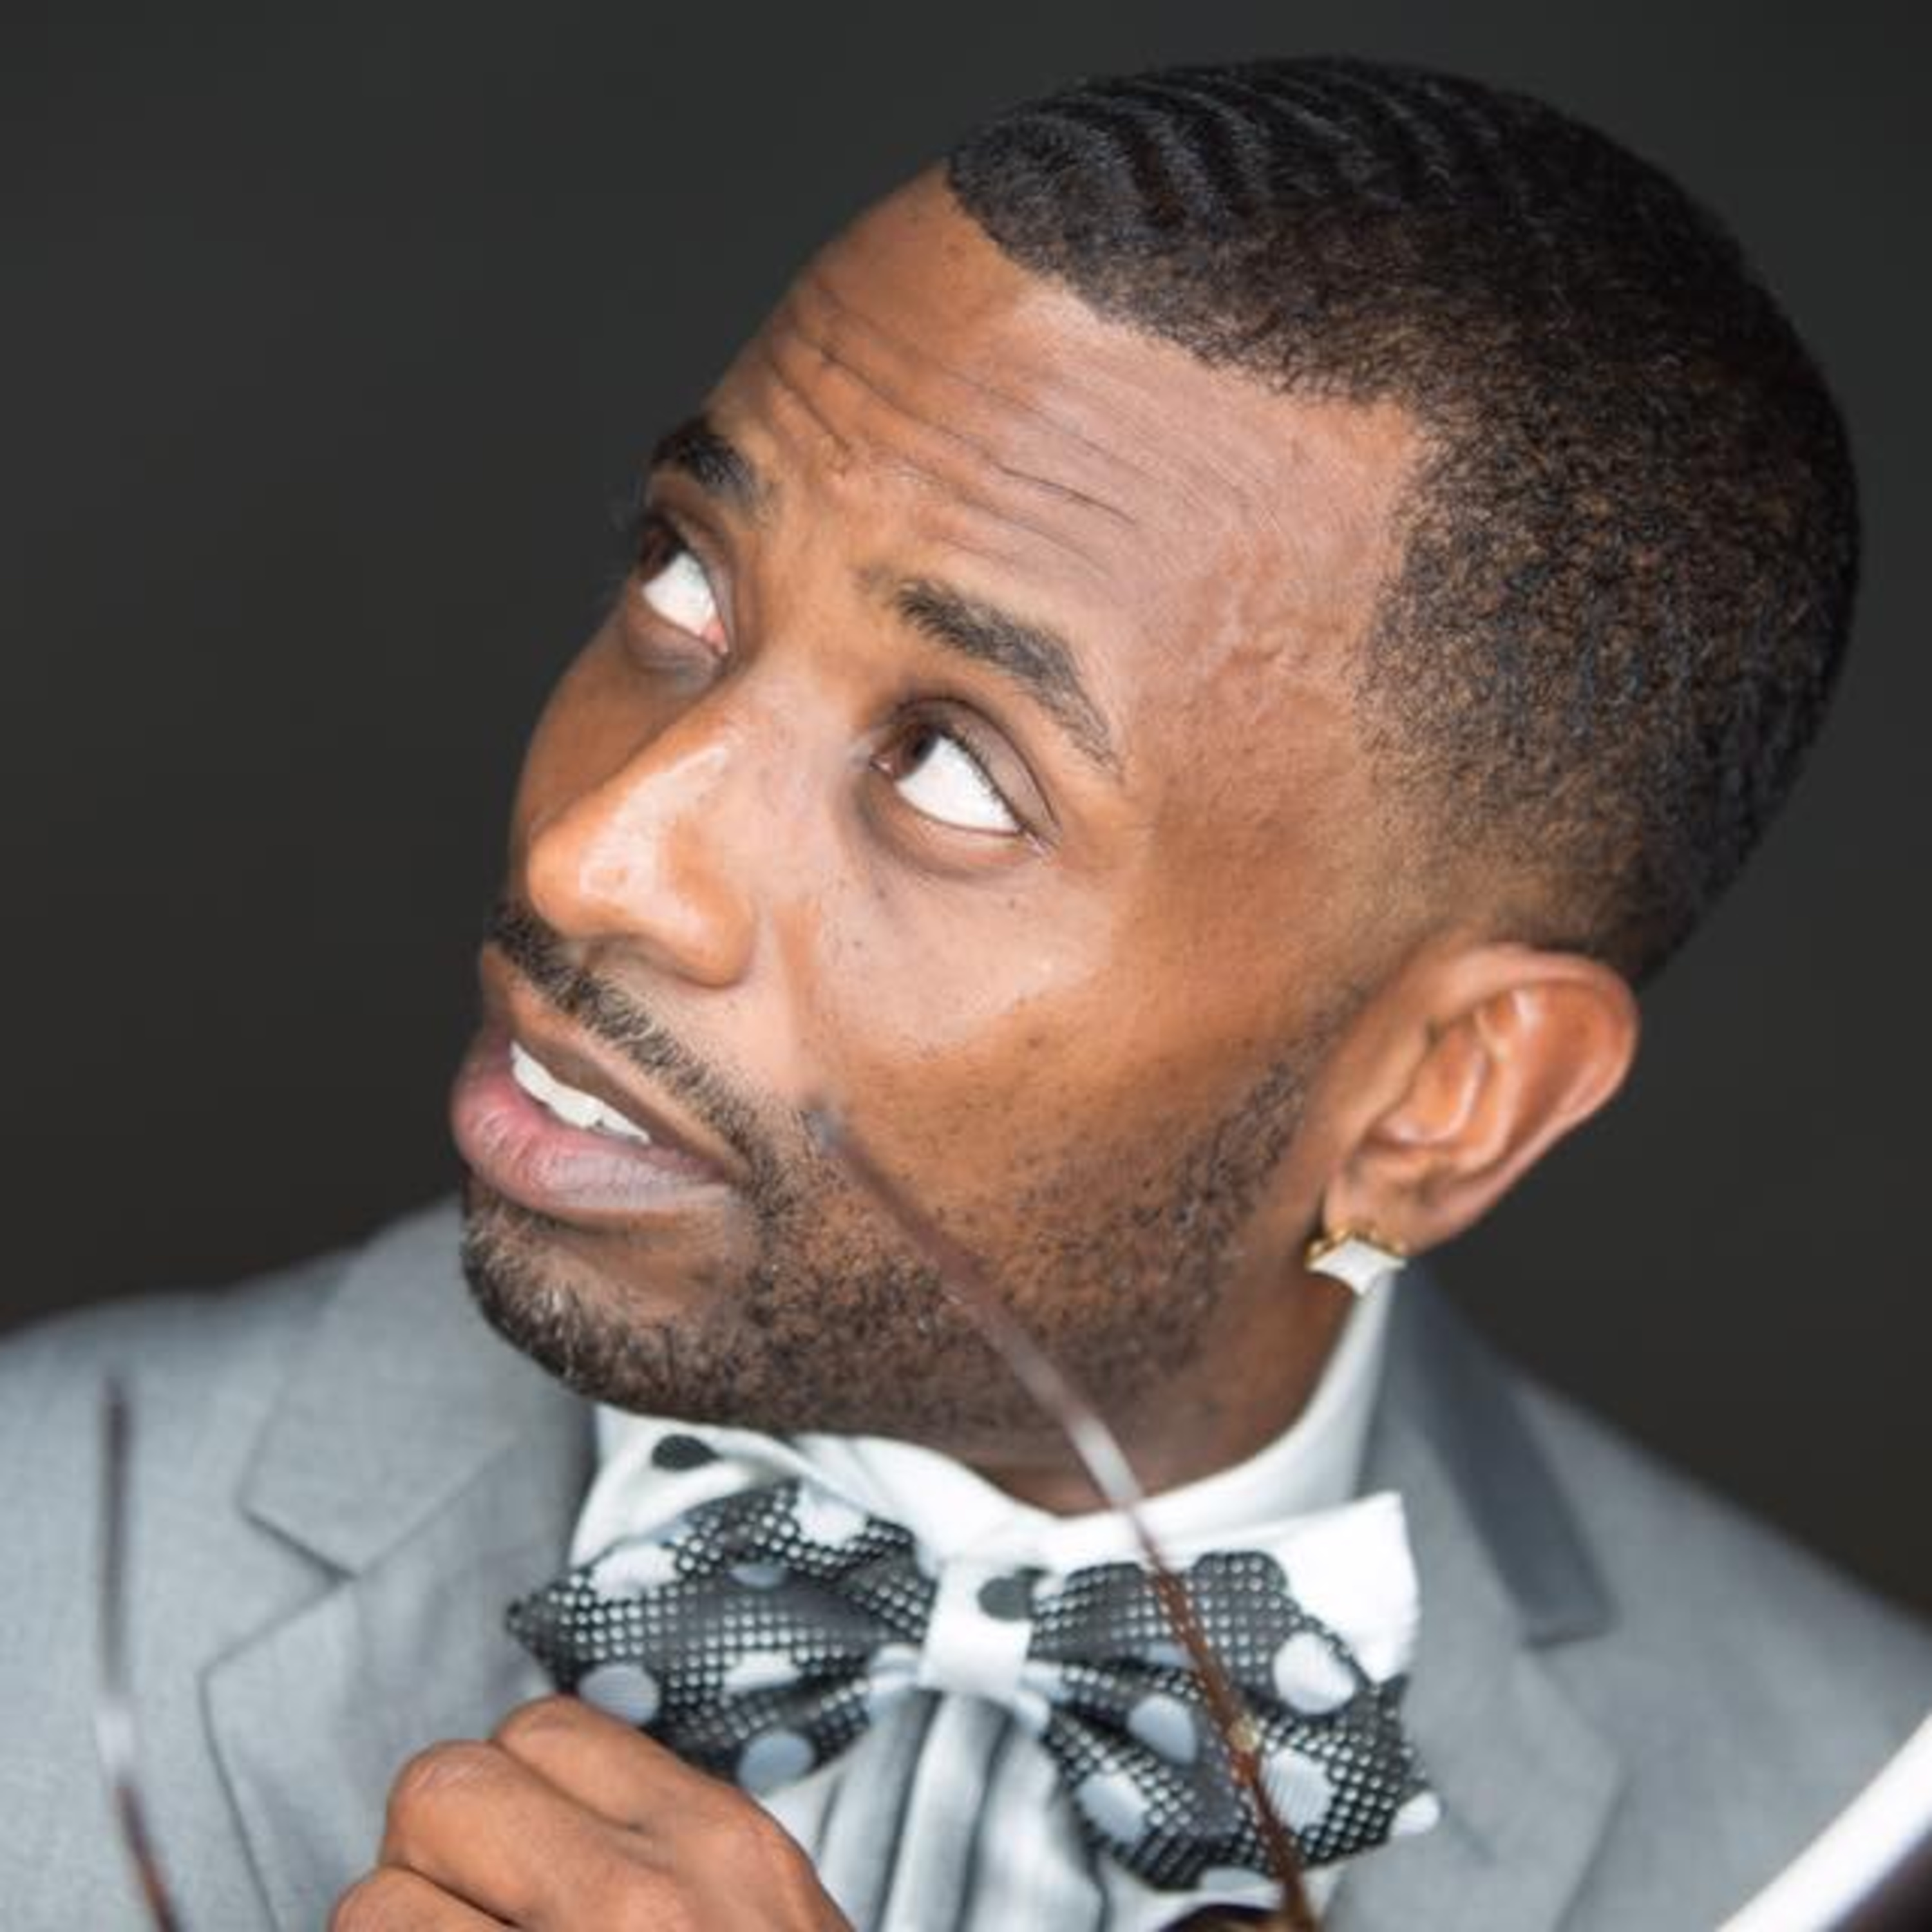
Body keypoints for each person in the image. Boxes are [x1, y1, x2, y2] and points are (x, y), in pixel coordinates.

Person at [3, 52, 1927, 1932]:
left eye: (950, 769)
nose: (598, 856)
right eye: (686, 578)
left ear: (1444, 1095)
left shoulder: (1840, 1826)